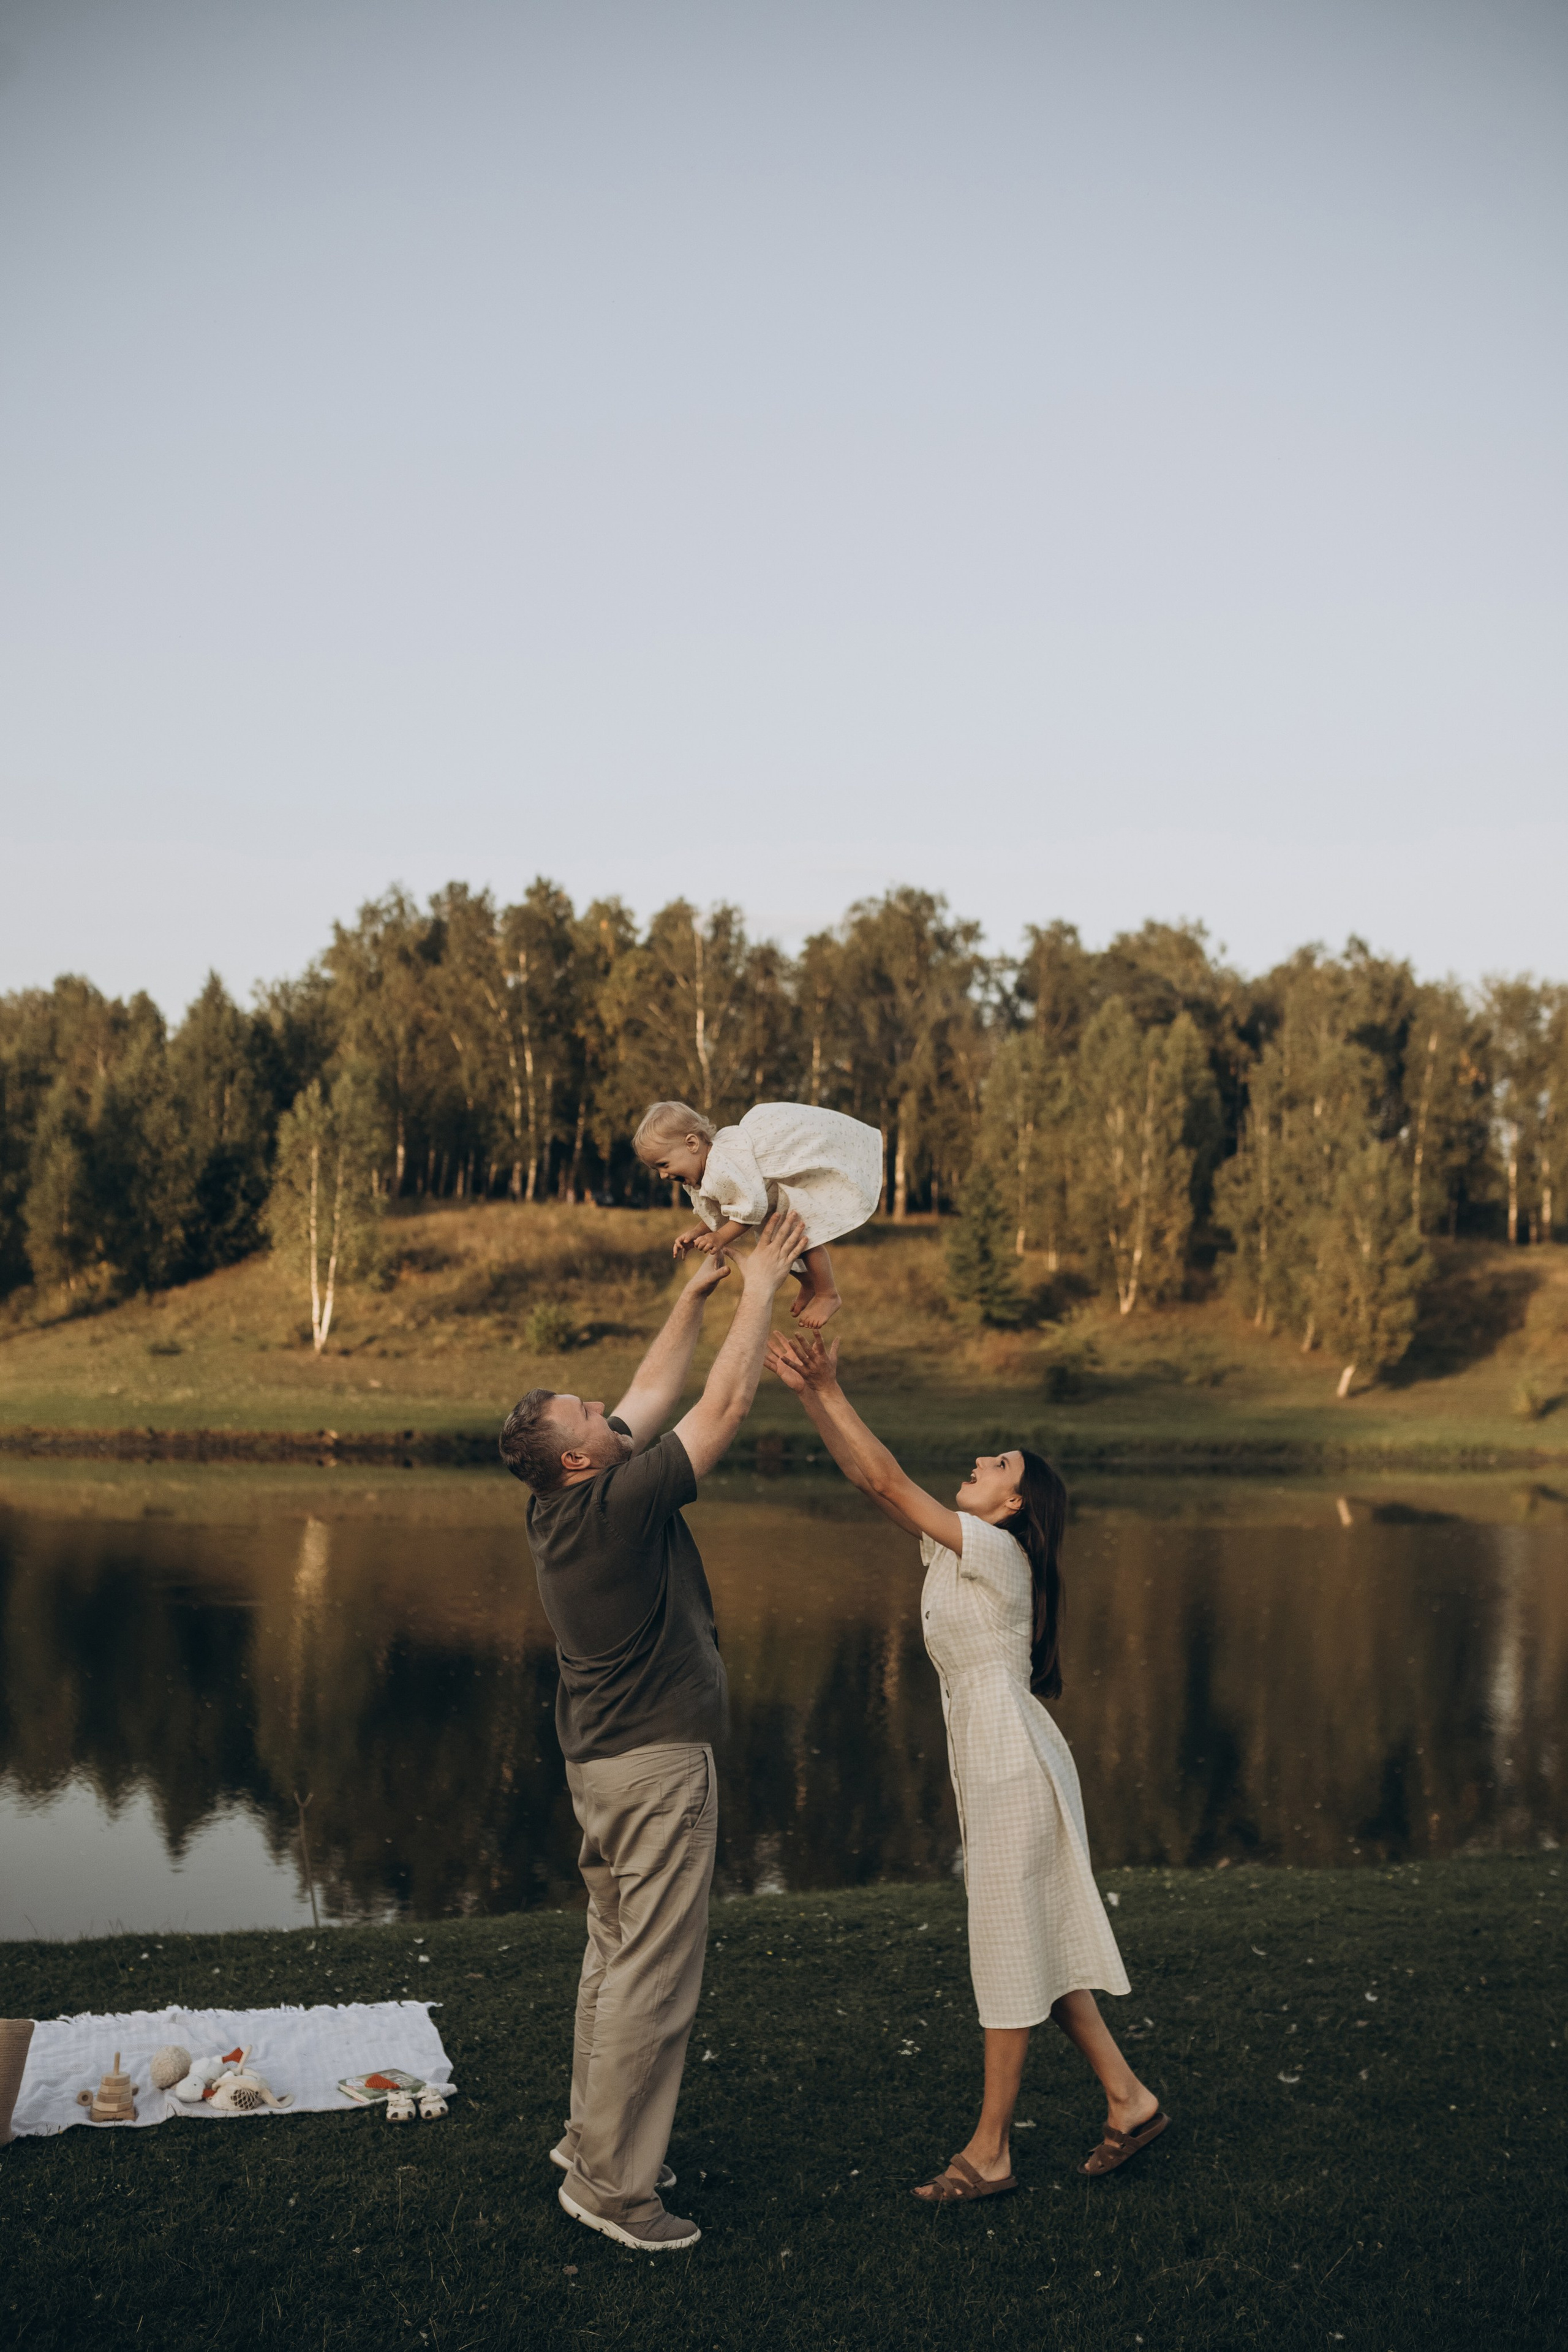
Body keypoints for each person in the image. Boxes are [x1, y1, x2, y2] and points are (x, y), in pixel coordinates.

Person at [764, 1330, 1167, 2204]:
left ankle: (990, 2153)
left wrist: (826, 1384)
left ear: (1014, 1505)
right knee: (1037, 1943)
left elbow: (884, 1478)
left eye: (999, 1462)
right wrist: (814, 1395)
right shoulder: (960, 1548)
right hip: (995, 1758)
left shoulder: (998, 1553)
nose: (980, 1459)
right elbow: (873, 1482)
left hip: (1013, 1766)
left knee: (1007, 1946)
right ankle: (1131, 2102)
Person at [499, 1208, 807, 2252]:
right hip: (658, 1768)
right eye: (587, 1413)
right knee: (654, 1977)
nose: (605, 1406)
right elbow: (719, 1405)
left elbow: (651, 1393)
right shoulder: (624, 1505)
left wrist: (695, 1294)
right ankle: (614, 2190)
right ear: (580, 1459)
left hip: (603, 1768)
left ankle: (591, 2142)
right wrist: (764, 1282)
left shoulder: (560, 1503)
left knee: (613, 1953)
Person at [633, 1098, 884, 1329]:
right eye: (657, 1169)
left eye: (664, 1165)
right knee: (778, 1250)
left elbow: (749, 1211)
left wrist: (720, 1238)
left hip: (774, 1200)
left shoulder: (720, 1166)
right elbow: (721, 1212)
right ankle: (809, 1282)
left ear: (692, 1144)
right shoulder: (702, 1173)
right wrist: (697, 1232)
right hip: (771, 1205)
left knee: (806, 1240)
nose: (663, 1176)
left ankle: (828, 1294)